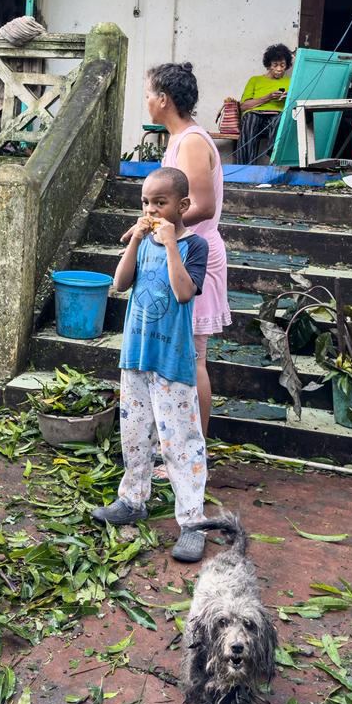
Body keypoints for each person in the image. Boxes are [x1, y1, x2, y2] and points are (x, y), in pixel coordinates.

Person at [91, 167, 210, 563]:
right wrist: (137, 240)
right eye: (146, 202)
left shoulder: (195, 247)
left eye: (160, 202)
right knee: (134, 434)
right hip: (136, 354)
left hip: (171, 360)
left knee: (180, 443)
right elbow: (120, 283)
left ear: (183, 205)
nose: (151, 210)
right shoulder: (142, 241)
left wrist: (171, 244)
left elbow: (183, 292)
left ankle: (193, 522)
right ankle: (133, 499)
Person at [145, 63, 231, 436]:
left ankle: (194, 448)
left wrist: (158, 229)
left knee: (193, 358)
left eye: (149, 94)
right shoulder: (177, 139)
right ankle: (175, 441)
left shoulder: (192, 142)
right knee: (177, 355)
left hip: (196, 254)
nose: (147, 101)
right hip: (177, 251)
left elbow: (203, 206)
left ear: (163, 99)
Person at [232, 43, 294, 165]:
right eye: (275, 65)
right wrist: (268, 97)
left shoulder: (290, 81)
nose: (279, 69)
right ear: (269, 65)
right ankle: (245, 165)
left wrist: (288, 98)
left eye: (282, 65)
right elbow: (243, 106)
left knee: (280, 119)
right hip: (255, 115)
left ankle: (274, 157)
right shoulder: (255, 80)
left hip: (276, 116)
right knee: (251, 119)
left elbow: (296, 104)